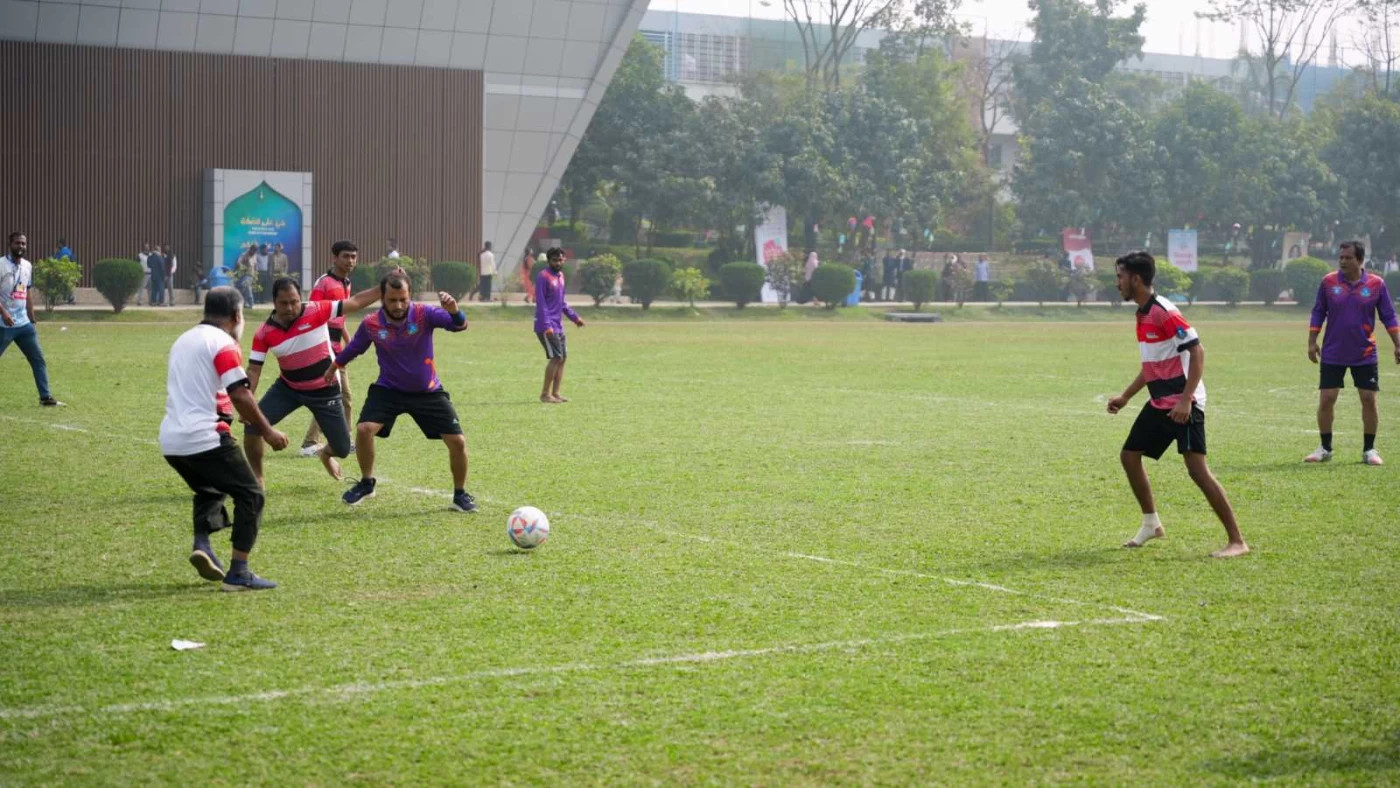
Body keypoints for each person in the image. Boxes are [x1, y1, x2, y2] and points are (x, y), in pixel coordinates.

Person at [1106, 251, 1248, 558]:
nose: (1117, 283)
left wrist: (1185, 400)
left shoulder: (1164, 311)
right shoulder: (1142, 314)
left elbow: (1198, 352)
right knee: (1130, 456)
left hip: (1185, 403)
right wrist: (1126, 396)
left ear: (1136, 279)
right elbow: (1152, 365)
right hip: (1161, 402)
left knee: (1197, 471)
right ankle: (1151, 524)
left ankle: (1237, 541)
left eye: (1120, 277)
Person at [159, 286, 288, 591]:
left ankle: (202, 545)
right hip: (204, 436)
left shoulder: (183, 340)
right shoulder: (223, 343)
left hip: (171, 440)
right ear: (236, 315)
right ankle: (239, 573)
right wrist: (268, 431)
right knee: (251, 495)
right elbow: (240, 393)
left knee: (210, 488)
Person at [332, 274, 475, 512]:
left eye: (403, 299)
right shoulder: (371, 323)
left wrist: (454, 311)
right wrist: (333, 367)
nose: (398, 305)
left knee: (457, 441)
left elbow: (459, 325)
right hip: (389, 390)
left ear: (410, 296)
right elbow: (355, 348)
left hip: (427, 391)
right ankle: (366, 483)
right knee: (364, 429)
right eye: (392, 300)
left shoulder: (423, 314)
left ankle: (460, 495)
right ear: (382, 298)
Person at [244, 272, 384, 486]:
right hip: (288, 389)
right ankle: (257, 477)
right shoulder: (264, 333)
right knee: (252, 426)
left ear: (300, 299)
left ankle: (325, 454)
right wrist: (247, 402)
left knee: (342, 449)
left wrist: (384, 287)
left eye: (294, 302)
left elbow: (355, 302)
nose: (290, 308)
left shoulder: (316, 310)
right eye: (284, 303)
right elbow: (253, 371)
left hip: (325, 390)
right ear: (274, 302)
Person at [1304, 240, 1400, 465]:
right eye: (1341, 257)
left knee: (1368, 399)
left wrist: (1397, 343)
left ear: (1360, 260)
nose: (1343, 261)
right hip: (1333, 352)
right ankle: (1325, 448)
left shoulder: (1376, 284)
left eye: (1348, 258)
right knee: (1327, 399)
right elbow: (1318, 312)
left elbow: (1388, 316)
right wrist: (1312, 341)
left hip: (1364, 353)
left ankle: (1369, 450)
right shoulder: (1328, 282)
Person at [301, 240, 362, 457]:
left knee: (340, 396)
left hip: (337, 348)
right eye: (346, 256)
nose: (350, 261)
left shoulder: (346, 283)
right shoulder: (324, 283)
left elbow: (339, 315)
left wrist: (348, 341)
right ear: (334, 258)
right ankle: (311, 443)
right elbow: (311, 314)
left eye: (353, 257)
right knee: (337, 396)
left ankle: (341, 441)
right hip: (324, 347)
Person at [1, 232, 62, 406]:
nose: (21, 246)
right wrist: (3, 313)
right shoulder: (1, 265)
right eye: (17, 243)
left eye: (23, 243)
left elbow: (26, 293)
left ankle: (45, 397)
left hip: (23, 324)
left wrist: (32, 318)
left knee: (38, 359)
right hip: (3, 324)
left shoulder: (27, 266)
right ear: (10, 244)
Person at [535, 247, 585, 403]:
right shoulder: (543, 276)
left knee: (563, 358)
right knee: (556, 357)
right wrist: (547, 325)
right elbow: (541, 303)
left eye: (560, 260)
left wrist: (575, 318)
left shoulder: (561, 276)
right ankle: (545, 394)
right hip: (547, 325)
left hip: (558, 325)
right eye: (554, 260)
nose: (557, 263)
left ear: (564, 260)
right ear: (549, 261)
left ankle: (556, 393)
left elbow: (562, 302)